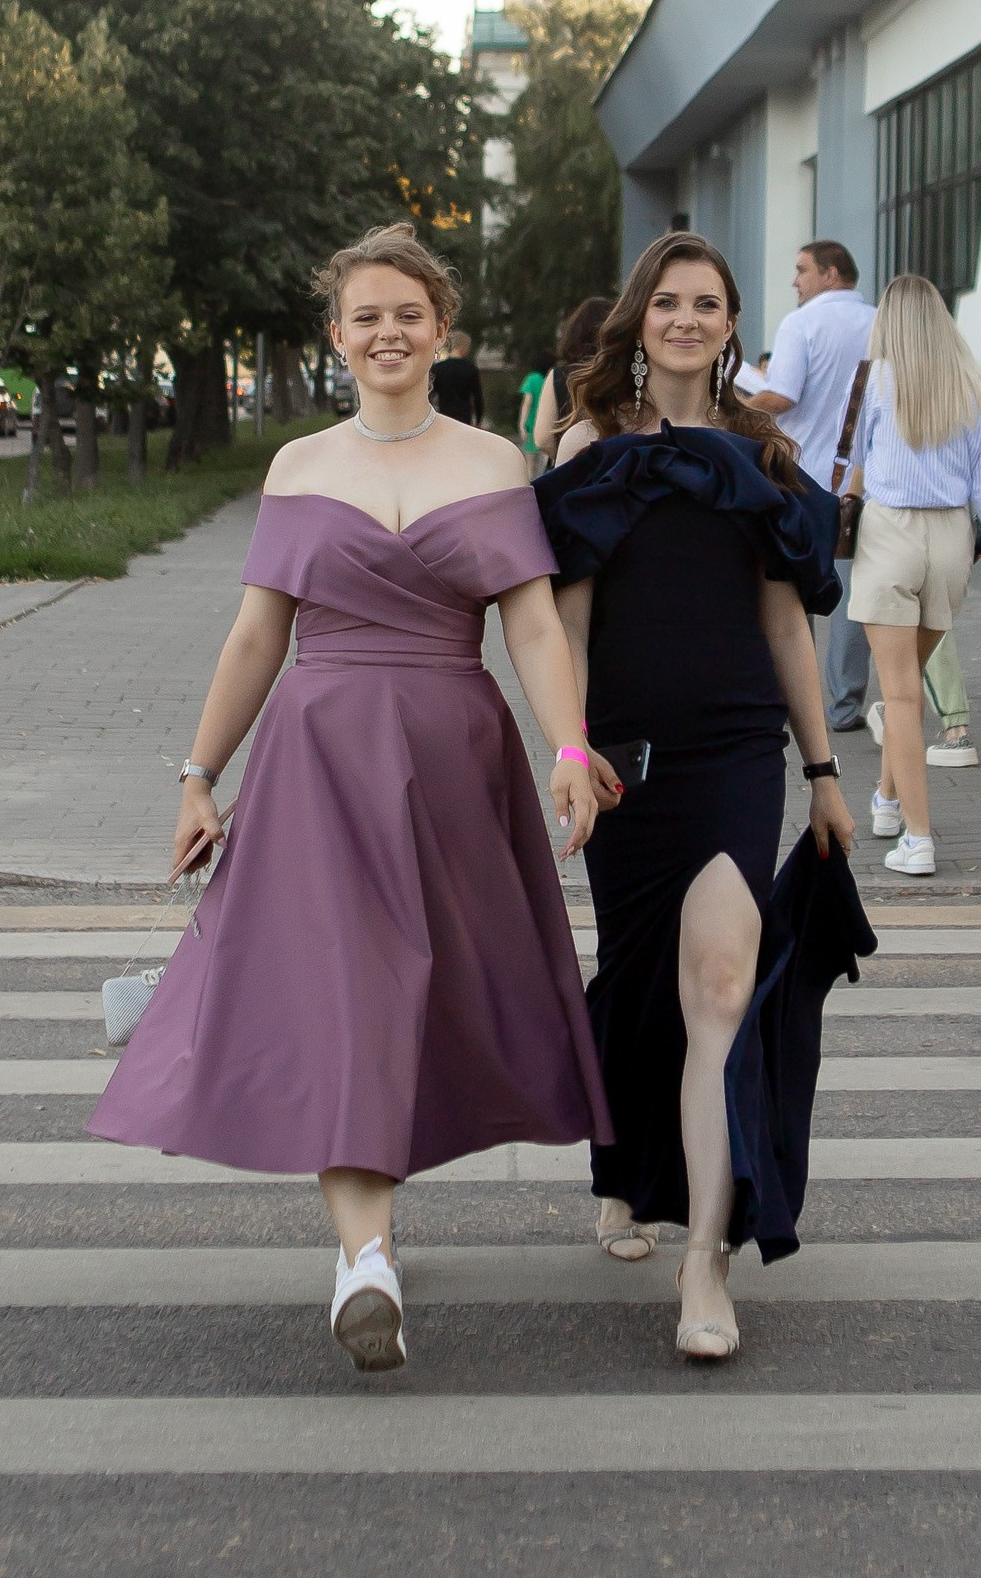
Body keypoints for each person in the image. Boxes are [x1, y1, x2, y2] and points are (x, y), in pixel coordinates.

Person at [90, 226, 606, 1371]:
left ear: (442, 332)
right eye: (365, 315)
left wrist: (568, 747)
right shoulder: (298, 468)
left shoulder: (490, 463)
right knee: (349, 996)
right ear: (336, 336)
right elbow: (254, 636)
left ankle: (366, 1234)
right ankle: (364, 1253)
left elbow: (527, 621)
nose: (387, 332)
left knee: (419, 998)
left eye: (408, 315)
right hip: (318, 762)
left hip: (452, 761)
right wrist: (196, 776)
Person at [540, 232, 862, 1365]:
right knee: (639, 979)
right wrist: (569, 748)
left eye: (708, 304)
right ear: (640, 319)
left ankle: (707, 1260)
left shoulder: (764, 454)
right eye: (667, 302)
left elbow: (788, 622)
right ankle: (622, 1175)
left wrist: (822, 775)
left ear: (733, 324)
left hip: (734, 749)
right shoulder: (589, 443)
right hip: (627, 753)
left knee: (721, 981)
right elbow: (563, 621)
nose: (686, 318)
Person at [841, 273, 981, 877]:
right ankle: (885, 802)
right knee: (905, 688)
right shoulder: (973, 387)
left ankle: (920, 840)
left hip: (889, 534)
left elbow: (847, 466)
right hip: (952, 541)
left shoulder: (871, 380)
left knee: (899, 694)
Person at [745, 240, 876, 738]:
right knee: (848, 594)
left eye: (802, 270)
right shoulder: (879, 320)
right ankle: (845, 704)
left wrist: (736, 403)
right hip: (860, 477)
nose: (795, 281)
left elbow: (783, 395)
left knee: (791, 590)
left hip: (802, 476)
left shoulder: (800, 324)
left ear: (831, 273)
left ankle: (789, 698)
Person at [531, 293, 613, 461]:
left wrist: (568, 459)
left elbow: (542, 439)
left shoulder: (559, 375)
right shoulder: (624, 373)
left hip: (566, 474)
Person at [428, 327, 486, 427]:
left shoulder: (438, 368)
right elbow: (477, 397)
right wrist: (478, 420)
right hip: (464, 417)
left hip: (444, 415)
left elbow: (430, 394)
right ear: (465, 346)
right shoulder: (470, 368)